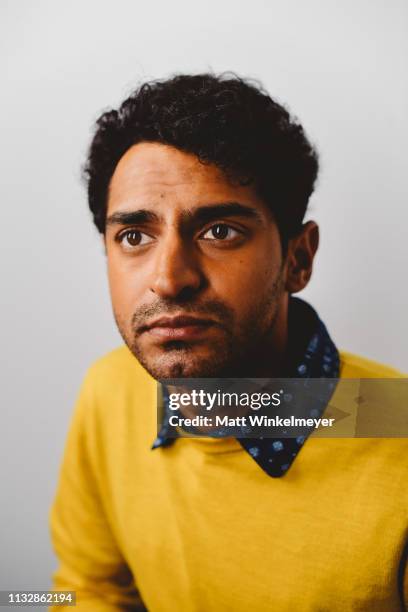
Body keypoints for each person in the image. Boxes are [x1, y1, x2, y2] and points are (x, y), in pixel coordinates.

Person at [49, 73, 407, 611]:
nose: (170, 278)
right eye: (135, 236)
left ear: (297, 259)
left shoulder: (400, 435)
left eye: (220, 231)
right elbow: (88, 590)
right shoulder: (109, 391)